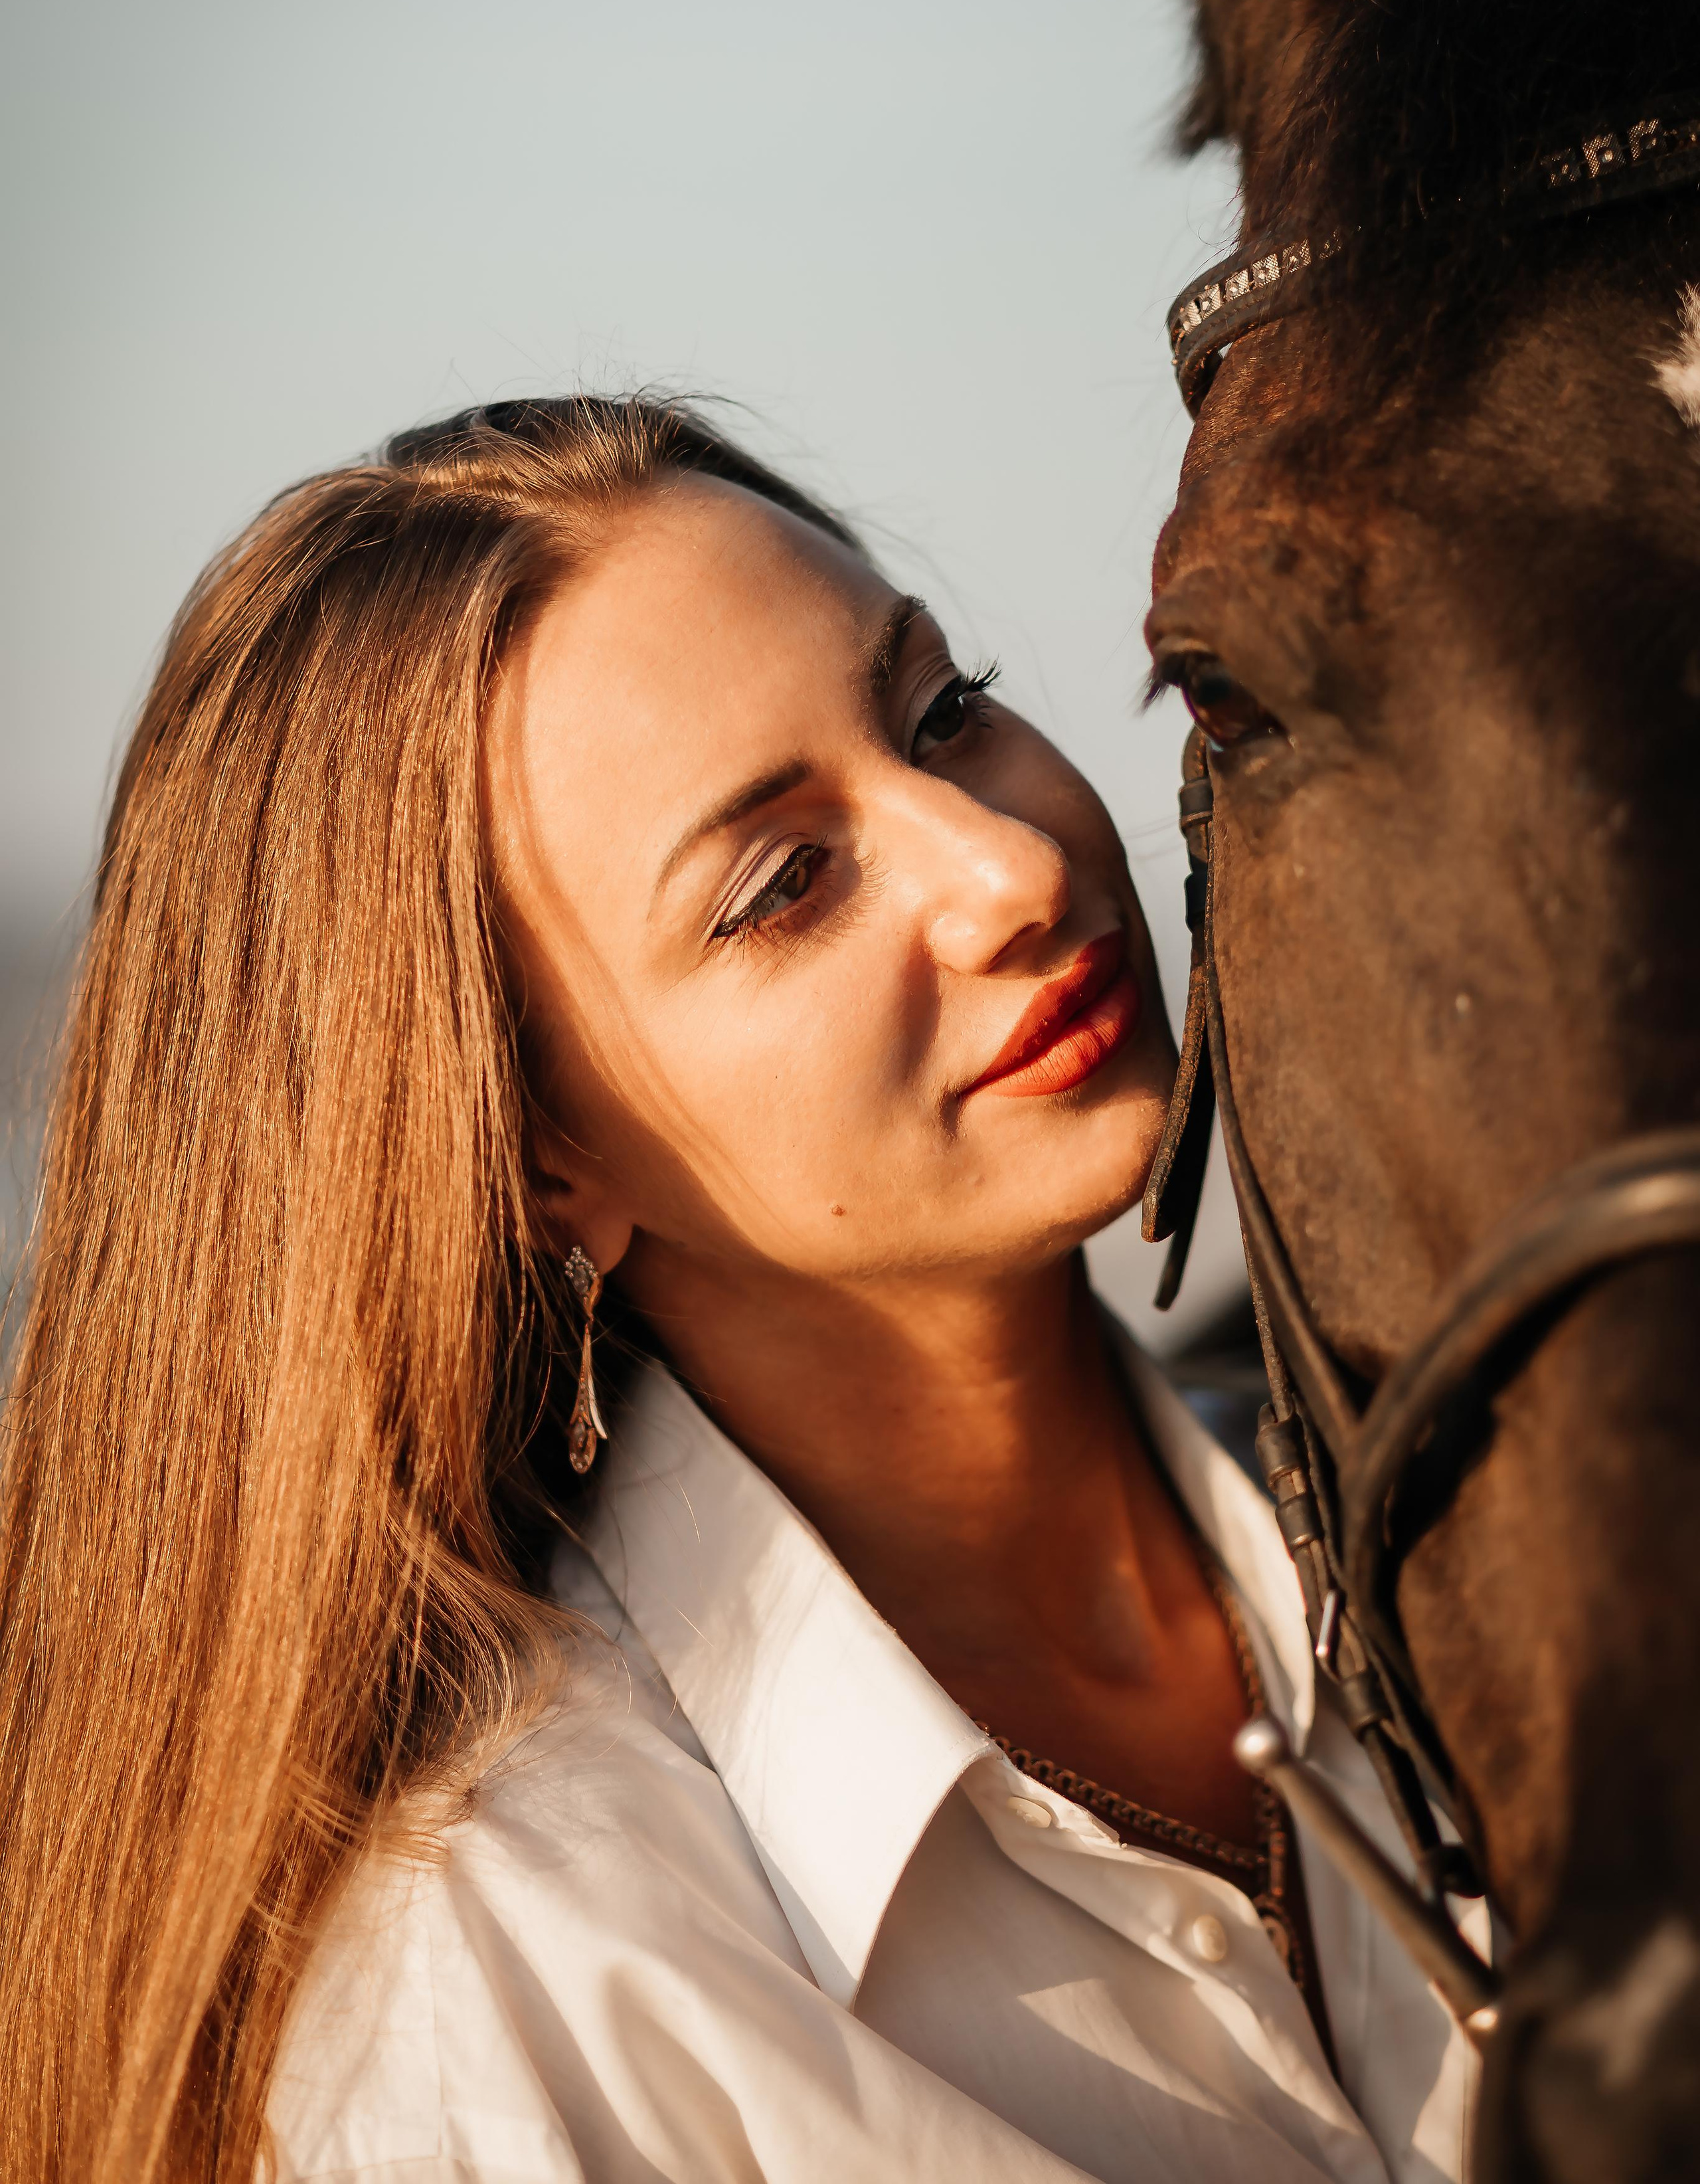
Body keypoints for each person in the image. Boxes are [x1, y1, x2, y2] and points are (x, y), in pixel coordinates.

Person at [0, 398, 1481, 2184]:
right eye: (786, 884)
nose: (1006, 868)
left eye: (945, 711)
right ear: (544, 1154)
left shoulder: (1510, 1547)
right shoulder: (500, 2008)